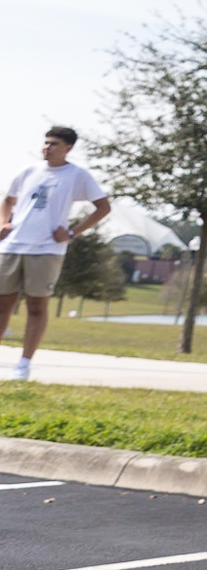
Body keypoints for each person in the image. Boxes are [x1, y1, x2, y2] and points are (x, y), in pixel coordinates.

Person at [0, 126, 113, 382]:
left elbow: (103, 207)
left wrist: (73, 233)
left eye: (53, 144)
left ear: (68, 148)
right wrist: (4, 223)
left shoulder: (77, 175)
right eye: (46, 142)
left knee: (36, 307)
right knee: (2, 304)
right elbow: (8, 200)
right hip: (12, 246)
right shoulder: (29, 171)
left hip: (47, 250)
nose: (47, 148)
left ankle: (24, 364)